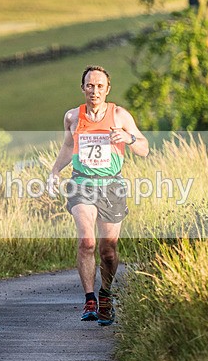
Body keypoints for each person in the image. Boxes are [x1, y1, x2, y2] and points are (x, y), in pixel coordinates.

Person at [48, 65, 149, 326]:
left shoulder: (119, 115)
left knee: (108, 250)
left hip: (112, 186)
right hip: (82, 183)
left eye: (100, 86)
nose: (94, 91)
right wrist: (54, 172)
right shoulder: (72, 116)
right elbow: (68, 147)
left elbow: (144, 148)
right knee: (87, 243)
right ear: (82, 88)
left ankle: (105, 295)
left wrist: (128, 138)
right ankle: (90, 299)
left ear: (107, 89)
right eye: (90, 86)